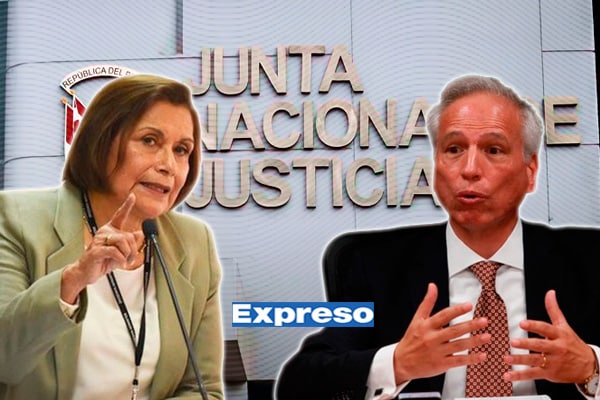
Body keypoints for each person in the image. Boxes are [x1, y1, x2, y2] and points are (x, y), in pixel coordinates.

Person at [276, 74, 600, 399]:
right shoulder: (374, 265)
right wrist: (397, 363)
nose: (469, 169)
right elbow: (298, 382)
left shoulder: (591, 260)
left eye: (494, 149)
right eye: (454, 149)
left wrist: (591, 367)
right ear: (436, 165)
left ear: (530, 171)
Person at [0, 74, 224, 399]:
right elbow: (5, 362)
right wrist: (74, 279)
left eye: (181, 150)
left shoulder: (194, 242)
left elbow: (203, 391)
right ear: (101, 141)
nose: (169, 166)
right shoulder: (15, 218)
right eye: (149, 140)